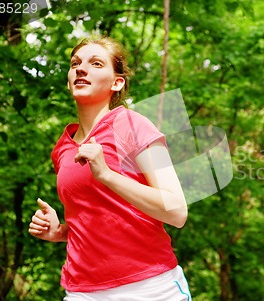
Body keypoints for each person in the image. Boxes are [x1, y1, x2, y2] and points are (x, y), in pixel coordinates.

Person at [28, 36, 191, 301]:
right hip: (82, 291)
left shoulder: (133, 125)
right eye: (75, 64)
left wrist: (106, 175)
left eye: (96, 63)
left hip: (150, 288)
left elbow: (176, 211)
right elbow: (105, 217)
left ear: (117, 83)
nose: (81, 69)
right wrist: (60, 232)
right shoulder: (63, 149)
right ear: (69, 79)